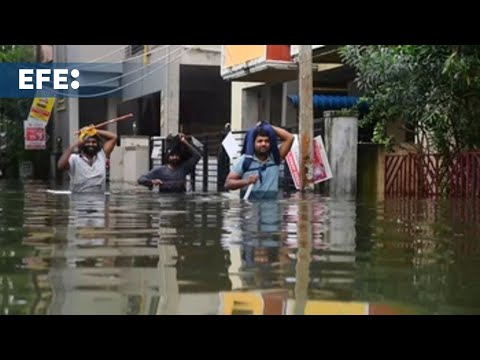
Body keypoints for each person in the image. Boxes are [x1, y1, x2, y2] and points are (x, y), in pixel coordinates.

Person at [225, 123, 294, 200]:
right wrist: (246, 181)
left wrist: (267, 126)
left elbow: (290, 137)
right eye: (259, 141)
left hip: (271, 208)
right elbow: (228, 184)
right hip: (250, 208)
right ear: (253, 143)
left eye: (267, 141)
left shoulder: (275, 158)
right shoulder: (244, 161)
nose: (263, 144)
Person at [57, 125, 117, 193]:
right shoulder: (74, 159)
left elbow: (114, 137)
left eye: (93, 142)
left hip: (99, 200)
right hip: (79, 200)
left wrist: (94, 131)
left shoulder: (102, 156)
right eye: (87, 142)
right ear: (82, 144)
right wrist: (74, 145)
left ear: (97, 144)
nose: (90, 144)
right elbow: (60, 166)